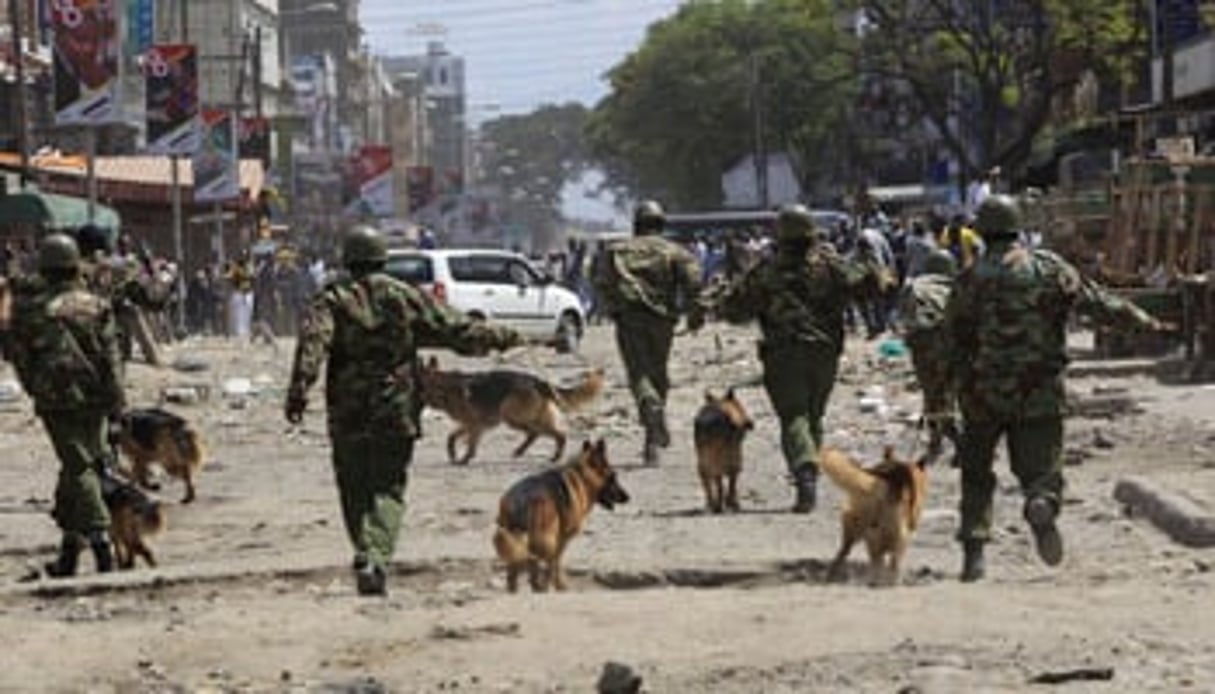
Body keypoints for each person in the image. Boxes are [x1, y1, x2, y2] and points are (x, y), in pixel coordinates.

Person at [285, 225, 527, 596]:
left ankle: (365, 551)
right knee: (388, 487)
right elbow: (457, 330)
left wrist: (299, 389)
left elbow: (313, 344)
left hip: (348, 410)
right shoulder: (404, 296)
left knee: (353, 487)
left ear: (348, 260)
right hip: (395, 407)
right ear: (383, 257)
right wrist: (506, 336)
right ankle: (376, 557)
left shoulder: (331, 299)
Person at [946, 195, 1171, 582]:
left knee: (977, 473)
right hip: (1040, 390)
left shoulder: (969, 278)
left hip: (983, 392)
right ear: (1018, 227)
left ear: (982, 232)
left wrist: (945, 396)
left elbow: (952, 340)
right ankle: (1041, 500)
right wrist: (1146, 322)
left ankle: (974, 553)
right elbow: (1098, 303)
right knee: (1042, 466)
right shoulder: (1049, 268)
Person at [713, 204, 879, 513]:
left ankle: (804, 471)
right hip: (825, 352)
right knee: (813, 416)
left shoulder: (767, 270)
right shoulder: (832, 265)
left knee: (794, 417)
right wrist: (868, 259)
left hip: (784, 354)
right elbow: (869, 286)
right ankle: (810, 468)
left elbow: (736, 309)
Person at [7, 234, 124, 578]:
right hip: (97, 398)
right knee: (80, 466)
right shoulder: (96, 305)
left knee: (79, 469)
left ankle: (102, 543)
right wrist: (116, 402)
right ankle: (69, 554)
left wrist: (34, 389)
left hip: (57, 400)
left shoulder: (30, 310)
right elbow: (112, 357)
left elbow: (20, 357)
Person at [592, 200, 705, 466]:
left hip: (630, 320)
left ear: (636, 224)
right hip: (662, 320)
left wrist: (612, 309)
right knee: (658, 372)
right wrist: (694, 314)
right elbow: (694, 282)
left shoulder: (616, 251)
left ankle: (650, 409)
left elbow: (599, 281)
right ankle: (651, 442)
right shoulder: (674, 251)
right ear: (661, 224)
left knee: (638, 373)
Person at [899, 250, 959, 462]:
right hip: (952, 345)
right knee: (950, 392)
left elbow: (904, 317)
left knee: (931, 393)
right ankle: (946, 440)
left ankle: (945, 440)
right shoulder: (957, 285)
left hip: (924, 347)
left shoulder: (914, 286)